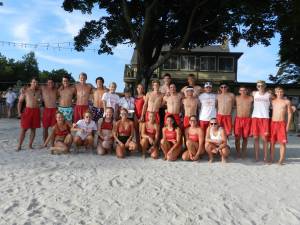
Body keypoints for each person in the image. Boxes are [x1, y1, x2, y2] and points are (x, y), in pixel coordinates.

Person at [17, 78, 41, 150]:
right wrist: (19, 112)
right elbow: (20, 102)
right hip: (28, 110)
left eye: (36, 83)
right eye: (33, 82)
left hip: (36, 111)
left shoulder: (39, 91)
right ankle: (19, 145)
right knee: (24, 129)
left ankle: (30, 145)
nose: (35, 84)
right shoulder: (25, 90)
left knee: (33, 129)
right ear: (30, 83)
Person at [270, 87, 292, 165]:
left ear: (283, 92)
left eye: (281, 91)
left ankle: (281, 160)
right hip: (273, 123)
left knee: (282, 143)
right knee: (272, 142)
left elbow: (289, 114)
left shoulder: (286, 102)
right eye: (278, 92)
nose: (279, 93)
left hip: (281, 123)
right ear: (275, 92)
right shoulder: (272, 101)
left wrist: (288, 125)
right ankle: (272, 159)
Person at [251, 80, 272, 162]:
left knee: (264, 139)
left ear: (265, 86)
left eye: (262, 85)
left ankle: (265, 157)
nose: (260, 87)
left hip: (265, 118)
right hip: (255, 117)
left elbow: (279, 99)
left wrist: (292, 106)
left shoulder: (269, 95)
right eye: (259, 86)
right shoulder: (254, 93)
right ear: (257, 87)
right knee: (255, 138)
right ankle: (256, 156)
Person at [234, 86, 253, 158]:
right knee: (237, 137)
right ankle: (238, 152)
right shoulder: (236, 98)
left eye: (244, 90)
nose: (243, 91)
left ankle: (244, 152)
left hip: (247, 120)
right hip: (238, 119)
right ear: (239, 91)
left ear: (247, 91)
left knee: (245, 138)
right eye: (241, 90)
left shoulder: (251, 98)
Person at [41, 78, 58, 142]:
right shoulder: (43, 88)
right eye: (49, 82)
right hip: (46, 110)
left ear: (53, 83)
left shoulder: (56, 90)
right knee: (45, 127)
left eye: (51, 82)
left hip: (54, 110)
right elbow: (34, 88)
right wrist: (23, 89)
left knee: (54, 128)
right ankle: (45, 142)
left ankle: (53, 141)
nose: (50, 84)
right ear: (46, 83)